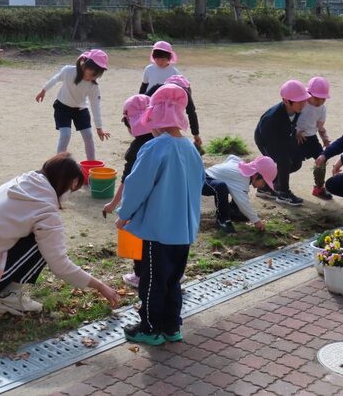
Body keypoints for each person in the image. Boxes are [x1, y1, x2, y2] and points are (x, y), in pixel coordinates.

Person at [0, 153, 120, 316]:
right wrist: (100, 286)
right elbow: (59, 264)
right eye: (72, 189)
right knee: (42, 243)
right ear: (66, 183)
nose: (70, 195)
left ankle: (2, 288)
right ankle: (8, 298)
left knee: (34, 234)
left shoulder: (20, 182)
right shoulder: (45, 210)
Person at [115, 84, 205, 346]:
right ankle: (171, 326)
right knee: (173, 281)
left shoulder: (154, 148)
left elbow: (136, 185)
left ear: (156, 118)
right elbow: (198, 183)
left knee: (152, 281)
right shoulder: (190, 149)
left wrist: (125, 213)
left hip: (158, 231)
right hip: (184, 231)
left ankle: (150, 327)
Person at [102, 94, 155, 288]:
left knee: (136, 235)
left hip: (141, 204)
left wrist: (116, 207)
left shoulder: (137, 148)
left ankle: (140, 275)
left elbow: (128, 181)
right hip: (163, 202)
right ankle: (173, 273)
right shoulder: (164, 139)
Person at [35, 49, 111, 158]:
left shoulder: (93, 86)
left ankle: (91, 164)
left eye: (95, 76)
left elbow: (95, 105)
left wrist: (99, 128)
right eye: (90, 74)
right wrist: (43, 90)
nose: (90, 78)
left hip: (80, 110)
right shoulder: (68, 71)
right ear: (84, 66)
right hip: (62, 108)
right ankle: (59, 163)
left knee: (88, 136)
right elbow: (55, 78)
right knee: (65, 135)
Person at [254, 79, 311, 206]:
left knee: (296, 162)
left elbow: (291, 125)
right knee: (284, 161)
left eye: (304, 100)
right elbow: (265, 135)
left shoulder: (296, 109)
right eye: (299, 101)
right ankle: (283, 192)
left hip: (284, 137)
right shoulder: (272, 118)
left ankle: (266, 186)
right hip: (267, 139)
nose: (302, 104)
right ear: (286, 101)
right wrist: (279, 155)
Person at [203, 155, 278, 233]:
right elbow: (243, 202)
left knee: (232, 187)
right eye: (264, 182)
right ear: (256, 175)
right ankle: (222, 220)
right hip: (201, 181)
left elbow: (232, 157)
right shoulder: (242, 179)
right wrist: (256, 221)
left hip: (209, 177)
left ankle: (233, 211)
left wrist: (223, 173)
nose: (263, 186)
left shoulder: (242, 166)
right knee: (221, 186)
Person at [296, 76, 333, 200]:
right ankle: (276, 183)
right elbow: (290, 119)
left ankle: (318, 188)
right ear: (308, 94)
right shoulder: (301, 103)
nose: (320, 101)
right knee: (291, 163)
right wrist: (296, 132)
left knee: (321, 160)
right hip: (297, 139)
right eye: (317, 98)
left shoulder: (322, 109)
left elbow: (320, 126)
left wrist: (325, 139)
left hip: (312, 138)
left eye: (324, 99)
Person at [146, 74, 203, 152]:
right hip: (174, 124)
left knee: (158, 140)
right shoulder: (185, 92)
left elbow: (142, 99)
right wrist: (196, 134)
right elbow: (191, 113)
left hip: (156, 120)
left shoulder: (158, 87)